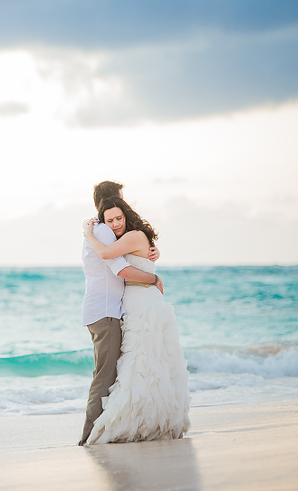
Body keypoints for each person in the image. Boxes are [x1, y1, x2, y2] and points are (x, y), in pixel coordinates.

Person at [81, 196, 191, 444]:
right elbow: (135, 257)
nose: (115, 223)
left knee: (145, 360)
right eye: (110, 220)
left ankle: (143, 420)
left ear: (126, 214)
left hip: (141, 300)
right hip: (131, 303)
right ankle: (145, 418)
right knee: (142, 361)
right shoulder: (125, 238)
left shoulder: (130, 236)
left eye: (118, 218)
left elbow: (109, 256)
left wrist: (88, 233)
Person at [78, 181, 163, 446]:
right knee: (104, 376)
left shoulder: (104, 230)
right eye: (121, 199)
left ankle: (107, 430)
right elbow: (121, 270)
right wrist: (152, 278)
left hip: (105, 310)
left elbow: (127, 259)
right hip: (104, 312)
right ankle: (89, 438)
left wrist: (150, 253)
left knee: (110, 374)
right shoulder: (101, 232)